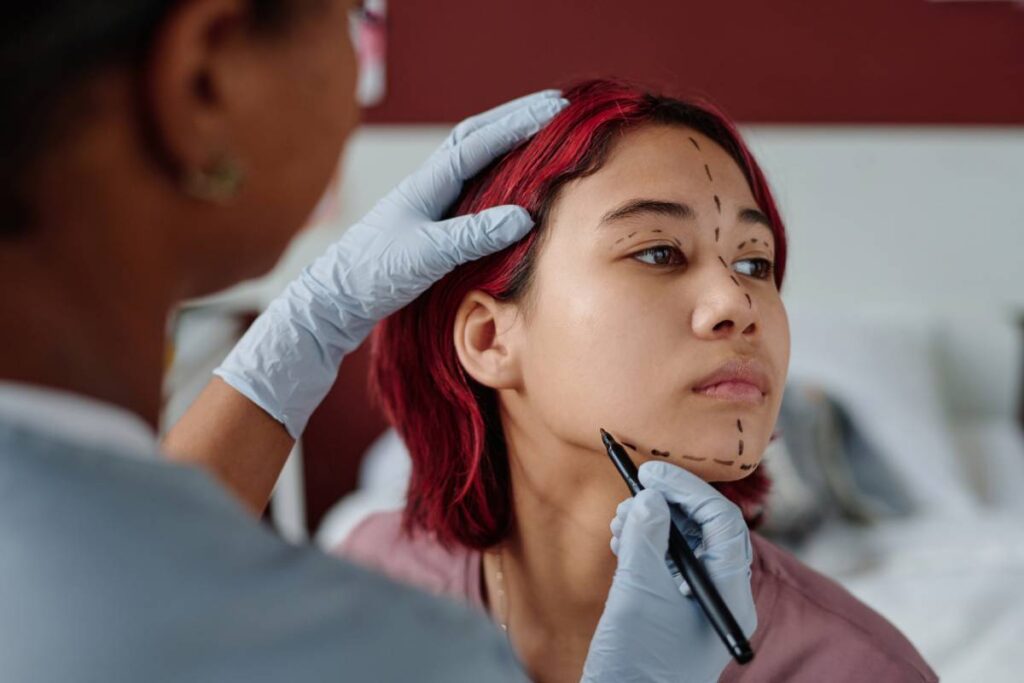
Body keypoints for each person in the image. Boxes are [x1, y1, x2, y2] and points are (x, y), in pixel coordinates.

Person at [0, 2, 727, 682]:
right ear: (204, 77)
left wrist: (313, 321)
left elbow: (135, 561)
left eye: (756, 262)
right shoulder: (396, 653)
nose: (733, 303)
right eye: (353, 14)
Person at [329, 79, 941, 682]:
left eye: (755, 262)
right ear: (490, 339)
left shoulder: (859, 669)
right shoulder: (372, 582)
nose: (738, 301)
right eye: (658, 252)